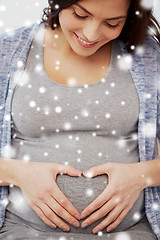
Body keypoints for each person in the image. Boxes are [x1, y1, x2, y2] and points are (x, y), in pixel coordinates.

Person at [0, 0, 160, 239]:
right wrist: (18, 173)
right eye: (80, 15)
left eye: (112, 23)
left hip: (133, 232)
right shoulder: (8, 50)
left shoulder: (148, 56)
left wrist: (140, 176)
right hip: (22, 231)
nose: (91, 34)